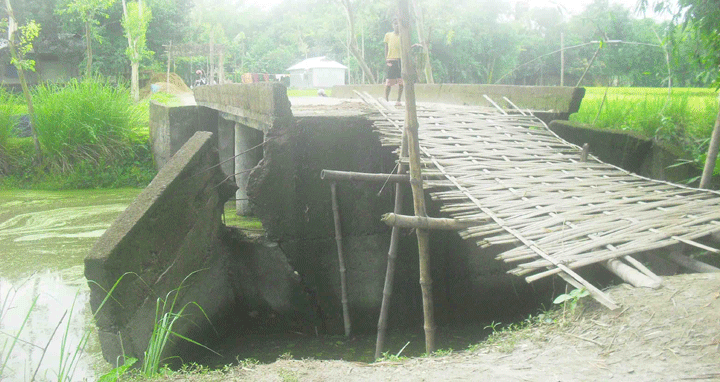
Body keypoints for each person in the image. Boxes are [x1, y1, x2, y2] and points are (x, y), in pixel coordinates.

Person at [384, 17, 403, 106]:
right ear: (392, 25)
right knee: (388, 82)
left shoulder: (403, 36)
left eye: (398, 23)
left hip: (401, 60)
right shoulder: (388, 35)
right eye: (395, 23)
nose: (397, 25)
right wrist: (386, 59)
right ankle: (386, 99)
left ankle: (398, 100)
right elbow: (386, 48)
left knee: (401, 81)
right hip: (391, 60)